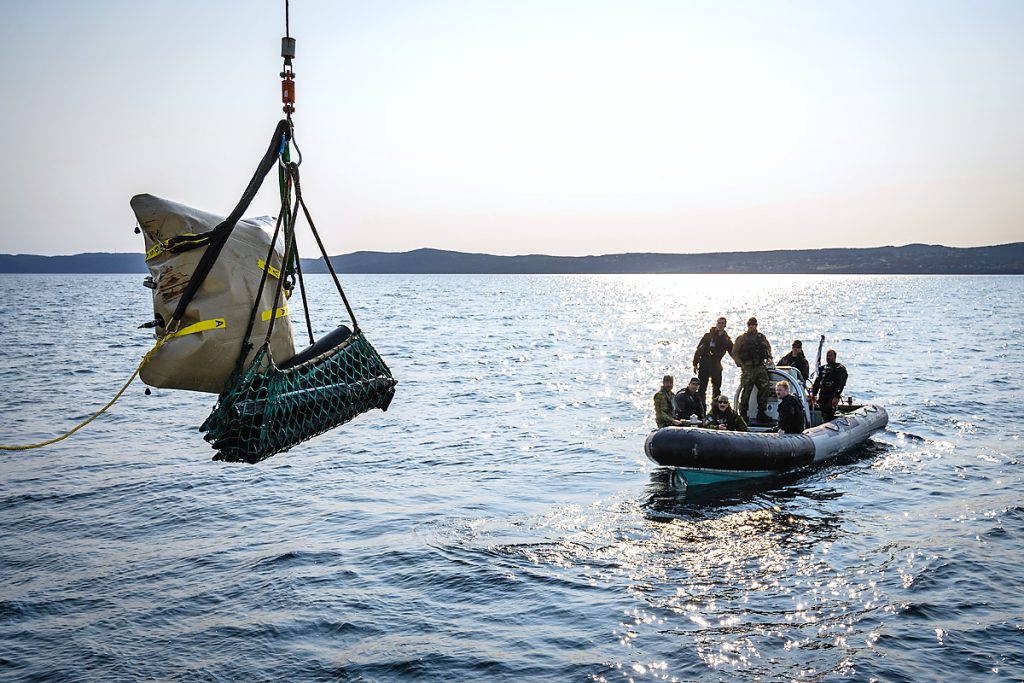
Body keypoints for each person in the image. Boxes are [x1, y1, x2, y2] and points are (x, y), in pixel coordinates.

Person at [731, 317, 773, 422]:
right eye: (750, 325)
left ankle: (761, 412)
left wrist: (769, 358)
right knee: (746, 390)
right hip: (748, 367)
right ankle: (743, 413)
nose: (751, 327)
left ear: (756, 326)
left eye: (753, 325)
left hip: (760, 366)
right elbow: (734, 353)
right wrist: (741, 365)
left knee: (765, 387)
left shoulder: (761, 337)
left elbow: (767, 349)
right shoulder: (741, 339)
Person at [692, 316, 733, 405]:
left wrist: (741, 363)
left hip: (716, 365)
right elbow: (699, 349)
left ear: (725, 325)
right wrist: (695, 363)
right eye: (719, 323)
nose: (720, 325)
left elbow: (733, 352)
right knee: (702, 388)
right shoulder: (708, 336)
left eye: (722, 323)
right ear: (716, 324)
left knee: (717, 389)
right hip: (705, 364)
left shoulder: (726, 339)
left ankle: (715, 410)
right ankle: (701, 410)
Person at [810, 349, 848, 423]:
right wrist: (813, 395)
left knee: (828, 414)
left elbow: (842, 383)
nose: (828, 357)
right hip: (822, 396)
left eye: (830, 356)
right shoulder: (822, 368)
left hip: (832, 396)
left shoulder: (839, 368)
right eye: (827, 356)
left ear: (835, 357)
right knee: (822, 413)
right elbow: (817, 382)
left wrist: (837, 396)